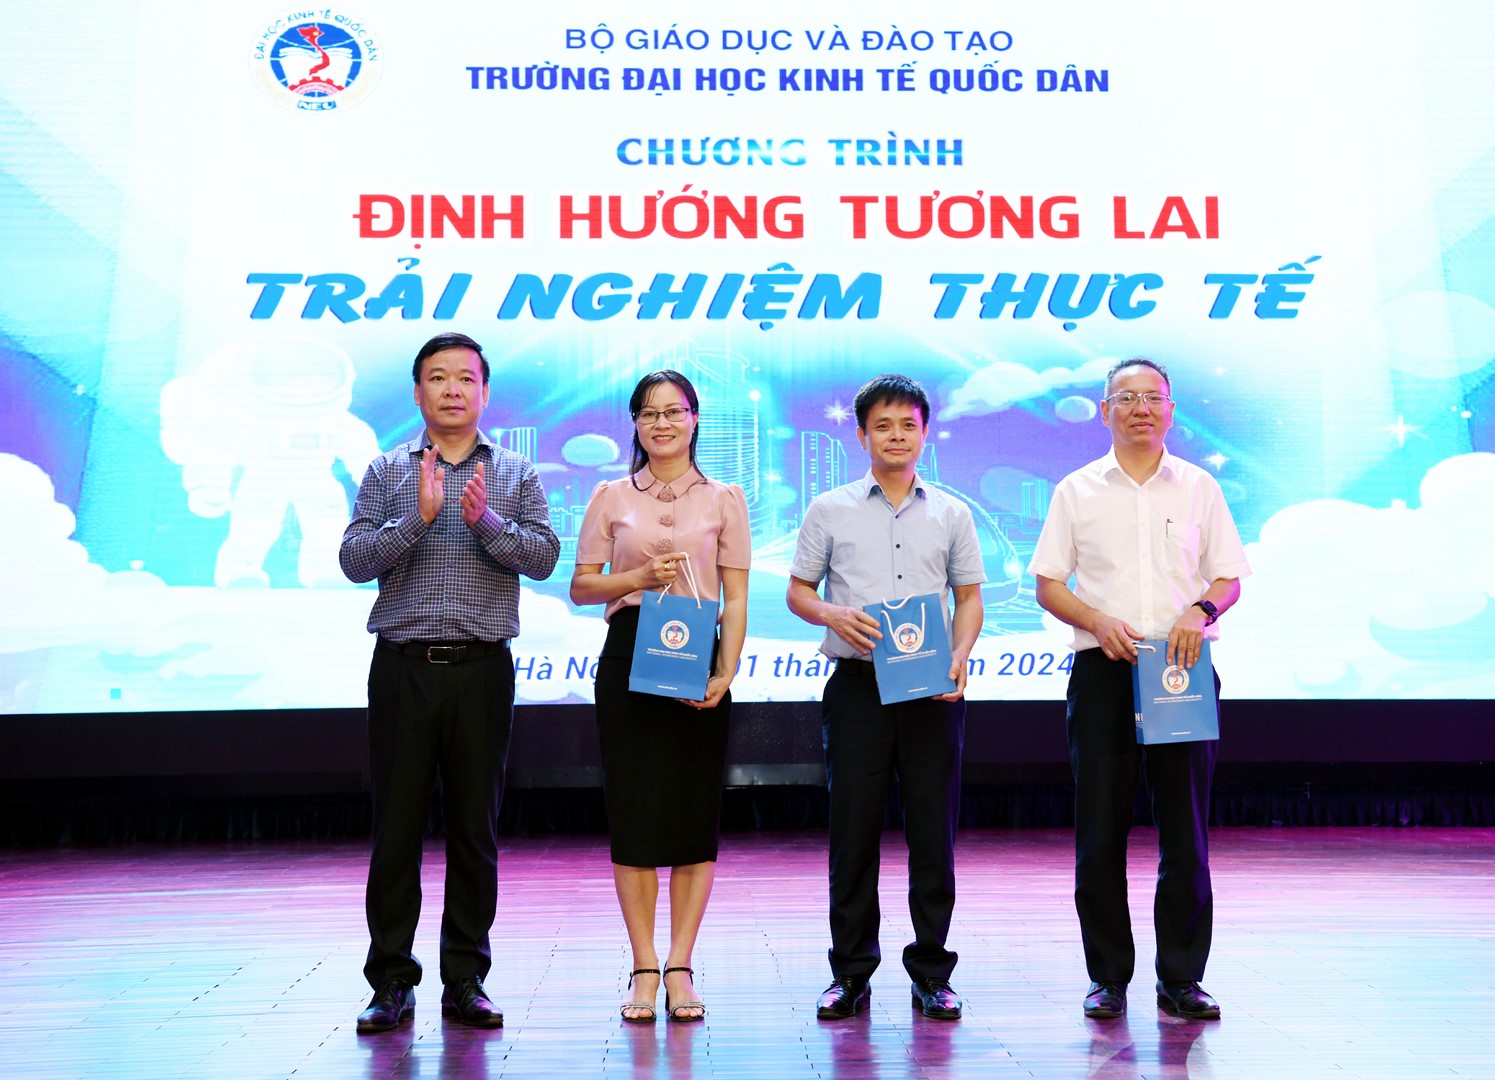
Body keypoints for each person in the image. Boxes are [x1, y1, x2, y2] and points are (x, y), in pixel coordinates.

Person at [340, 332, 560, 1033]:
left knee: (473, 831)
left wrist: (484, 521)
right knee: (396, 830)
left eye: (466, 377)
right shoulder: (385, 470)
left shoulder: (515, 471)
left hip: (481, 671)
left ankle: (465, 978)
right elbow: (354, 560)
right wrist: (420, 518)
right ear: (418, 393)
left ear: (484, 392)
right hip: (403, 669)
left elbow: (544, 558)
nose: (453, 389)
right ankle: (390, 981)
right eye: (438, 377)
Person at [1028, 356, 1250, 1022]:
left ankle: (1181, 977)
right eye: (1125, 398)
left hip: (1180, 667)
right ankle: (1107, 978)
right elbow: (1048, 584)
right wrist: (1096, 621)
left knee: (1184, 831)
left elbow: (1228, 578)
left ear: (1170, 410)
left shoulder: (1199, 487)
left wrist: (1199, 612)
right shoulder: (1075, 490)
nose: (1140, 408)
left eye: (1152, 397)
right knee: (1100, 832)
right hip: (1103, 669)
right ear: (1105, 411)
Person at [786, 374, 985, 1021]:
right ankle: (850, 973)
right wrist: (831, 615)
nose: (896, 436)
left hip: (931, 689)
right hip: (857, 687)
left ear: (924, 433)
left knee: (933, 835)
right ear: (861, 434)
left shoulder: (952, 512)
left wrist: (959, 655)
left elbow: (968, 598)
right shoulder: (829, 508)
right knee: (853, 834)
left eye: (907, 425)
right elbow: (798, 591)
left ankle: (932, 972)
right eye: (882, 426)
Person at [570, 370, 751, 1024]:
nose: (662, 423)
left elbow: (736, 595)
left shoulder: (725, 498)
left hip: (698, 655)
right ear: (636, 424)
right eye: (649, 414)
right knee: (636, 815)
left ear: (694, 418)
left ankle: (680, 965)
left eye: (673, 412)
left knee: (693, 815)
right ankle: (644, 965)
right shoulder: (610, 495)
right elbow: (582, 586)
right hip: (628, 654)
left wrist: (726, 672)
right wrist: (639, 576)